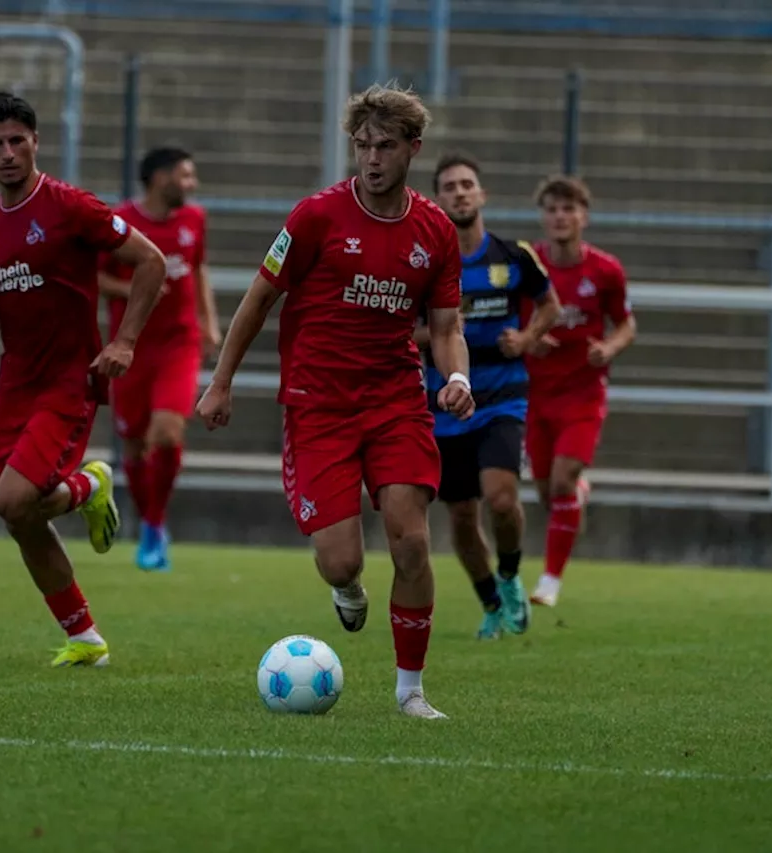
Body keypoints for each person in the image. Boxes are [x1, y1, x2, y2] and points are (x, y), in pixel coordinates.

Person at [196, 83, 473, 719]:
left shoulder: (434, 229)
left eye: (385, 146)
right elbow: (259, 301)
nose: (371, 158)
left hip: (396, 401)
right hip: (318, 405)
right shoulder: (315, 217)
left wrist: (457, 379)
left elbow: (446, 326)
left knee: (410, 541)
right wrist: (221, 381)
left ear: (413, 149)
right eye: (361, 145)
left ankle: (411, 691)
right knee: (340, 558)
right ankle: (346, 586)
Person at [0, 92, 167, 667]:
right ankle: (85, 638)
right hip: (16, 384)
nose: (7, 153)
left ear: (36, 142)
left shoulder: (69, 206)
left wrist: (124, 341)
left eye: (17, 141)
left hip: (68, 380)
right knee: (15, 513)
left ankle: (87, 486)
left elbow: (151, 261)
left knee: (14, 498)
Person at [425, 152, 561, 639]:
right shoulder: (428, 263)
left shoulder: (514, 256)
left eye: (467, 184)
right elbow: (405, 329)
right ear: (437, 200)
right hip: (444, 402)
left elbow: (549, 304)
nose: (459, 192)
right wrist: (439, 330)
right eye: (449, 186)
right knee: (462, 513)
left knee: (502, 500)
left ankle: (508, 577)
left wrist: (525, 340)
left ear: (481, 194)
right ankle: (489, 603)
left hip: (502, 395)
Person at [99, 146, 221, 572]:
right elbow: (95, 276)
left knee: (167, 433)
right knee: (133, 445)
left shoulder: (195, 220)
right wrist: (139, 289)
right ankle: (148, 521)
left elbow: (199, 267)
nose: (192, 185)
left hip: (178, 343)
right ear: (159, 178)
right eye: (185, 176)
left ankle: (154, 526)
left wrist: (208, 322)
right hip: (130, 346)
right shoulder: (118, 223)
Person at [526, 175, 637, 607]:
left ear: (583, 217)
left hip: (583, 395)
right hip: (535, 395)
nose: (560, 216)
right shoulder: (528, 265)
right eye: (552, 209)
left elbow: (627, 324)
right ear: (543, 216)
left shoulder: (605, 270)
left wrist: (608, 347)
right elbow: (508, 321)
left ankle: (550, 582)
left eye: (568, 209)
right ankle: (578, 494)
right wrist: (528, 337)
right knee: (544, 490)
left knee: (561, 481)